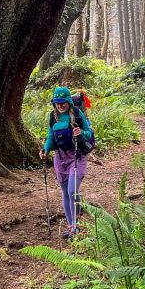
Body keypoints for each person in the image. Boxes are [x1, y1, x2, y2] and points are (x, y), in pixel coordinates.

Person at [39, 86, 92, 239]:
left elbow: (89, 133)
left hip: (77, 156)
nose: (60, 105)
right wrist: (45, 150)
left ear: (68, 101)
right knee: (65, 192)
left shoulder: (77, 113)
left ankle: (75, 225)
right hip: (60, 158)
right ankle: (71, 227)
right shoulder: (53, 116)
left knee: (72, 191)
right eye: (57, 102)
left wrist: (80, 132)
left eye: (62, 102)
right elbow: (50, 137)